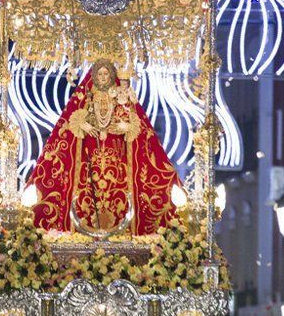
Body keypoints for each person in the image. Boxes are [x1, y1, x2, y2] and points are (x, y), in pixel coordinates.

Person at [28, 59, 183, 236]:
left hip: (117, 161)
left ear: (111, 77)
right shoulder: (86, 98)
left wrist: (127, 127)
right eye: (99, 74)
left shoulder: (122, 98)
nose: (102, 78)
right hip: (88, 162)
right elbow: (72, 121)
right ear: (94, 76)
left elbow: (136, 125)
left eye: (106, 74)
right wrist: (84, 126)